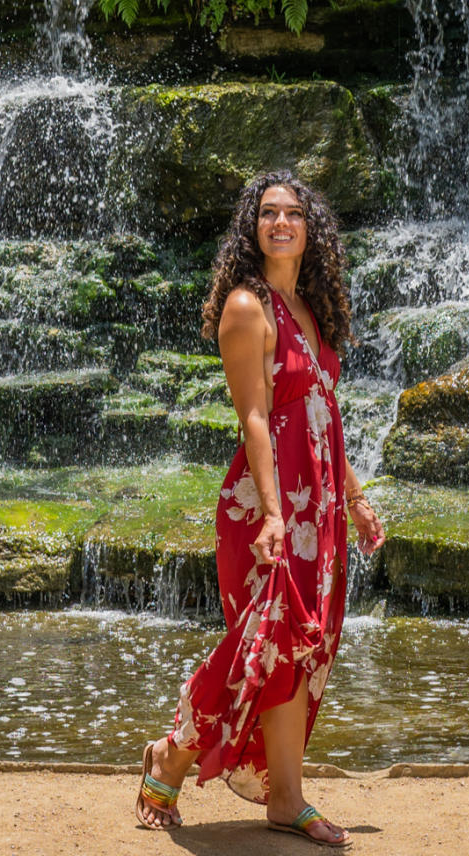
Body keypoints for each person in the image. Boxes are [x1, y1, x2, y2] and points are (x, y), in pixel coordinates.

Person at [134, 171, 386, 848]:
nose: (281, 223)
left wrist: (356, 500)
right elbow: (255, 420)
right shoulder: (247, 308)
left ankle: (285, 799)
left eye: (293, 214)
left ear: (310, 229)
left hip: (321, 503)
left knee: (303, 649)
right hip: (269, 507)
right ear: (252, 229)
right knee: (264, 646)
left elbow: (319, 416)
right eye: (268, 213)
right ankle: (172, 757)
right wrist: (275, 514)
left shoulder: (308, 307)